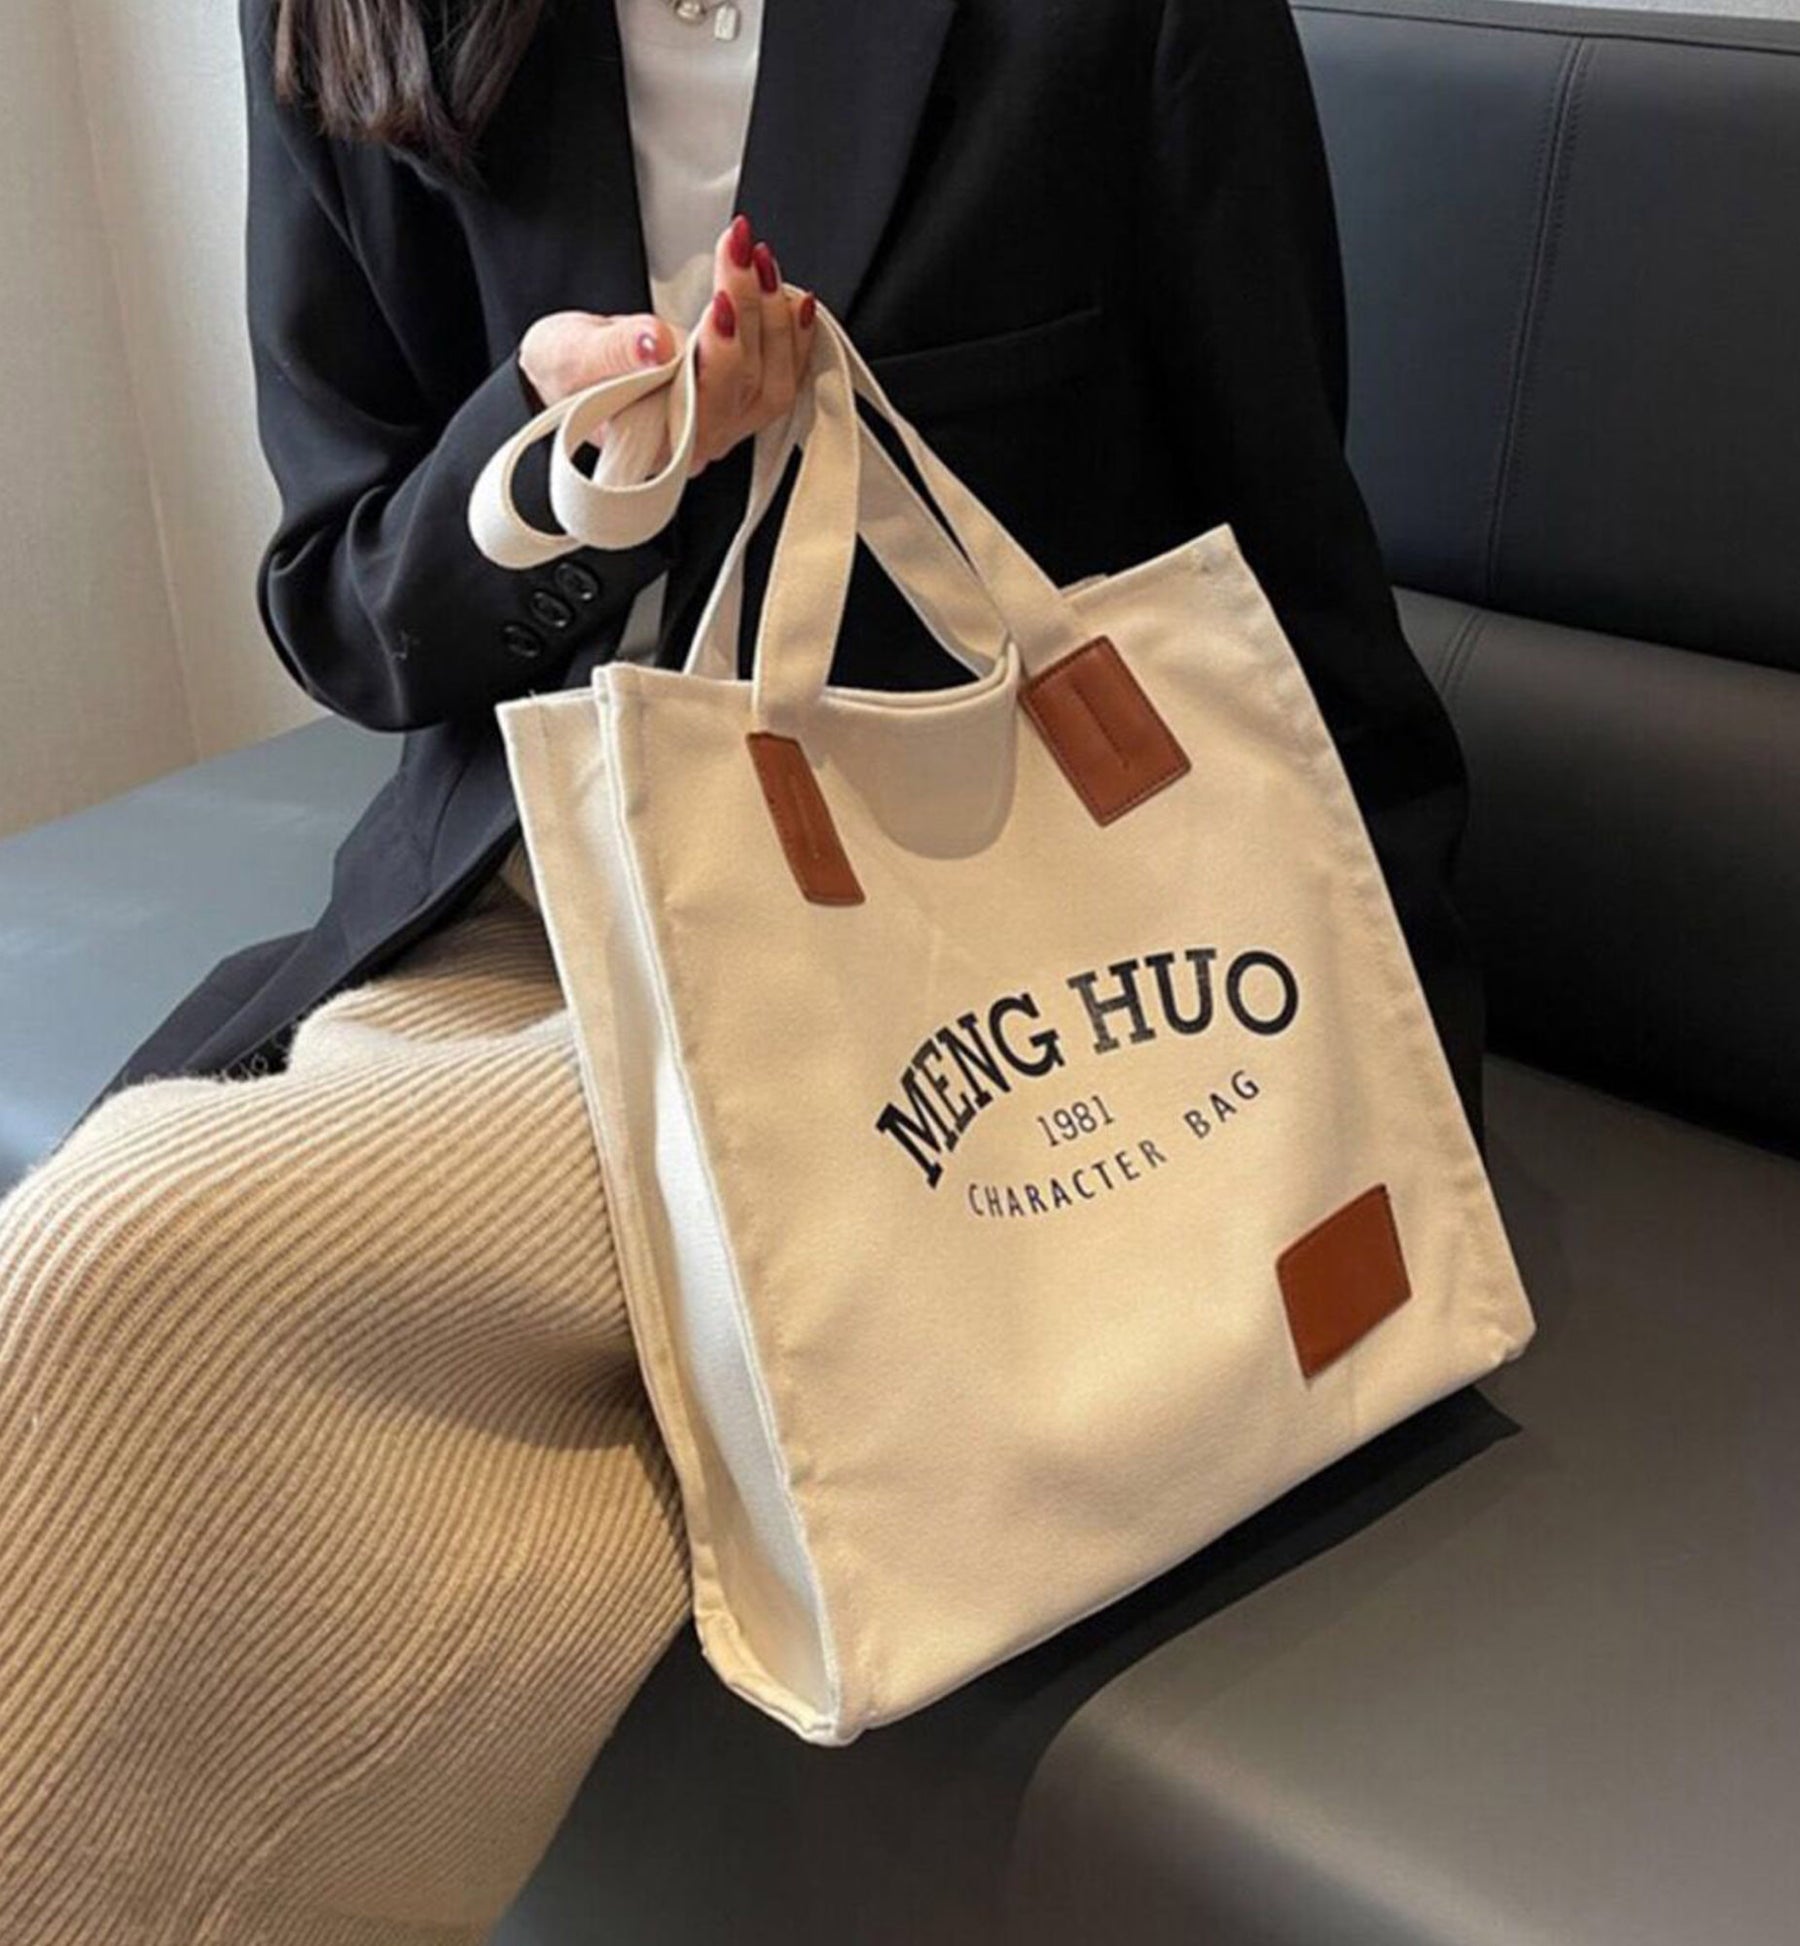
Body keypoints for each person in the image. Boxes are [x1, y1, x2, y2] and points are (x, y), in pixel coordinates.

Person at [0, 1, 1487, 1939]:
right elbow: (338, 586)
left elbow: (1281, 531)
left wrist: (1381, 1056)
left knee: (137, 1246)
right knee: (159, 1280)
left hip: (955, 983)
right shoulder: (349, 13)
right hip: (519, 920)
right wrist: (559, 483)